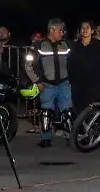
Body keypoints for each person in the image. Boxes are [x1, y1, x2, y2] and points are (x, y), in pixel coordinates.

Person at [24, 18, 73, 148]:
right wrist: (37, 81)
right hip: (47, 85)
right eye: (60, 30)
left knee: (67, 113)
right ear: (52, 30)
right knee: (46, 113)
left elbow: (73, 63)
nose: (62, 33)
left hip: (64, 84)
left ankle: (71, 138)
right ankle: (46, 139)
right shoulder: (38, 46)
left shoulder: (66, 45)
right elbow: (28, 65)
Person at [69, 21, 100, 112]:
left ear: (92, 31)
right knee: (79, 109)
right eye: (83, 27)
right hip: (77, 83)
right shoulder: (75, 45)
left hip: (93, 84)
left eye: (87, 27)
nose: (85, 29)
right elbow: (70, 63)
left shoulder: (98, 45)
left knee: (91, 109)